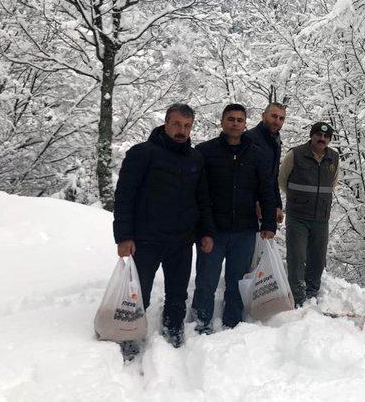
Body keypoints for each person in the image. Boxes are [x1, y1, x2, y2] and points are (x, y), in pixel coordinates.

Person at [113, 103, 215, 353]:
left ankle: (173, 327)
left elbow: (202, 198)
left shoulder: (195, 159)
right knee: (140, 294)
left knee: (177, 293)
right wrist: (124, 236)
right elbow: (124, 196)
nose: (182, 130)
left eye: (187, 126)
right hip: (146, 239)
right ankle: (130, 334)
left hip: (181, 240)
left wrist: (206, 231)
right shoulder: (143, 153)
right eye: (177, 124)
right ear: (166, 123)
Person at [191, 103, 277, 334]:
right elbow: (195, 192)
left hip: (244, 229)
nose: (235, 123)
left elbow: (267, 190)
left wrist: (269, 223)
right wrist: (199, 226)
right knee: (206, 280)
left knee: (236, 281)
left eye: (240, 120)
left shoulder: (258, 154)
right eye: (231, 119)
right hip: (212, 230)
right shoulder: (204, 151)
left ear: (245, 123)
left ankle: (233, 324)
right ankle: (201, 323)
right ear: (222, 122)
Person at [279, 122, 339, 307]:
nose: (321, 139)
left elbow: (333, 183)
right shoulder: (295, 154)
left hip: (321, 217)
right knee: (297, 257)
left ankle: (311, 292)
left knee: (318, 257)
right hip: (298, 216)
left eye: (326, 137)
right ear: (312, 136)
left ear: (329, 139)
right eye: (318, 135)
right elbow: (282, 180)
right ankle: (297, 297)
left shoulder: (334, 158)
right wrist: (298, 199)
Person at [245, 102, 287, 225]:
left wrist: (277, 205)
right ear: (263, 116)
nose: (277, 121)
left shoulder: (276, 142)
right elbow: (245, 176)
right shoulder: (249, 139)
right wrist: (256, 201)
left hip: (267, 205)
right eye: (274, 116)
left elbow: (272, 177)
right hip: (249, 209)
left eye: (281, 118)